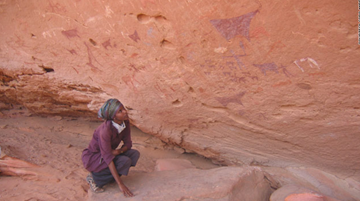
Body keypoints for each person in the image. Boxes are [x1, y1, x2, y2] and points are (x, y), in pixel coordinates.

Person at [81, 98, 140, 197]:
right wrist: (121, 184)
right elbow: (107, 157)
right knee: (124, 161)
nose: (125, 111)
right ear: (114, 117)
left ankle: (110, 178)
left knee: (134, 154)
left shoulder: (125, 122)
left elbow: (128, 144)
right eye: (120, 111)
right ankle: (94, 178)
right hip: (94, 157)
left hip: (110, 152)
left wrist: (119, 151)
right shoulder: (105, 130)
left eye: (123, 108)